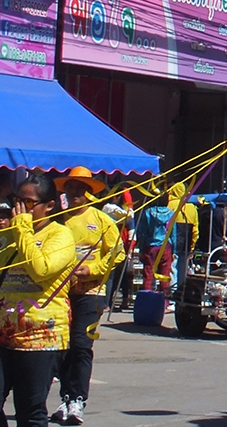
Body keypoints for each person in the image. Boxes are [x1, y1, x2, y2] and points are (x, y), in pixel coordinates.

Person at [0, 173, 75, 427]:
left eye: (29, 203)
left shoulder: (61, 235)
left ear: (49, 205)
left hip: (40, 337)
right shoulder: (13, 232)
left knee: (29, 410)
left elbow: (41, 269)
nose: (21, 208)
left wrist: (22, 229)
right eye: (18, 201)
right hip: (5, 332)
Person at [51, 168, 124, 425]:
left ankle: (78, 399)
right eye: (70, 187)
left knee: (82, 345)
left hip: (91, 293)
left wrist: (92, 270)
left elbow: (117, 253)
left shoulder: (101, 219)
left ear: (89, 191)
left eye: (79, 188)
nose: (74, 192)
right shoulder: (57, 220)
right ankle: (65, 398)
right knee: (64, 347)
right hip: (61, 294)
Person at [132, 186, 175, 296]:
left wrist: (141, 247)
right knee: (165, 275)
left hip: (150, 246)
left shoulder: (148, 212)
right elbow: (173, 234)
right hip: (166, 246)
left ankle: (147, 298)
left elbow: (142, 232)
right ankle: (164, 301)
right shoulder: (171, 214)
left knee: (148, 274)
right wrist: (174, 251)